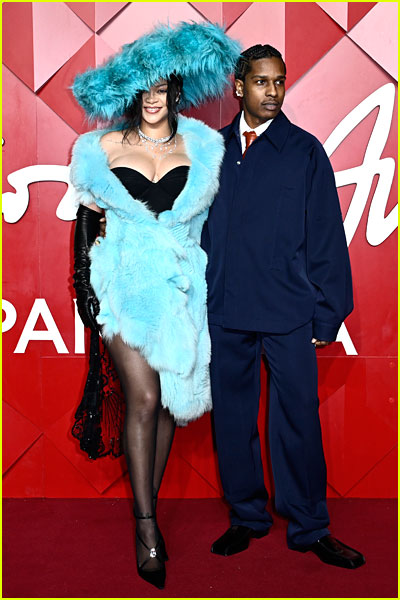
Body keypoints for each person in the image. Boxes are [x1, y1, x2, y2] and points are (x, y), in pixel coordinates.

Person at [70, 22, 240, 590]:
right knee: (142, 397)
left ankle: (149, 504)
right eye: (142, 92)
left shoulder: (202, 145)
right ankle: (147, 528)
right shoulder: (102, 147)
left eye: (160, 89)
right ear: (131, 96)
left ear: (173, 91)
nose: (152, 100)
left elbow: (213, 222)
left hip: (179, 287)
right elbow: (88, 219)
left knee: (167, 405)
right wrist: (88, 293)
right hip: (120, 283)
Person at [201, 44, 366, 569]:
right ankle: (246, 518)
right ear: (238, 86)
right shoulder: (209, 150)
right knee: (232, 421)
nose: (272, 92)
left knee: (297, 419)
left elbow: (325, 237)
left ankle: (310, 526)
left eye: (279, 82)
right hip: (224, 311)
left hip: (288, 312)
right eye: (261, 82)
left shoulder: (304, 150)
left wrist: (327, 311)